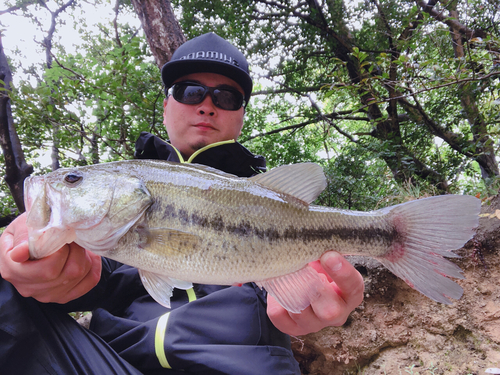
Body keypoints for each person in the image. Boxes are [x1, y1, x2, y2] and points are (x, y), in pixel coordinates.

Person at [0, 33, 364, 374]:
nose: (206, 106)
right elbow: (84, 281)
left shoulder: (279, 205)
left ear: (241, 113)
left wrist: (304, 301)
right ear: (166, 105)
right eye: (190, 91)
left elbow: (299, 288)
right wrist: (37, 271)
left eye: (226, 97)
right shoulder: (109, 224)